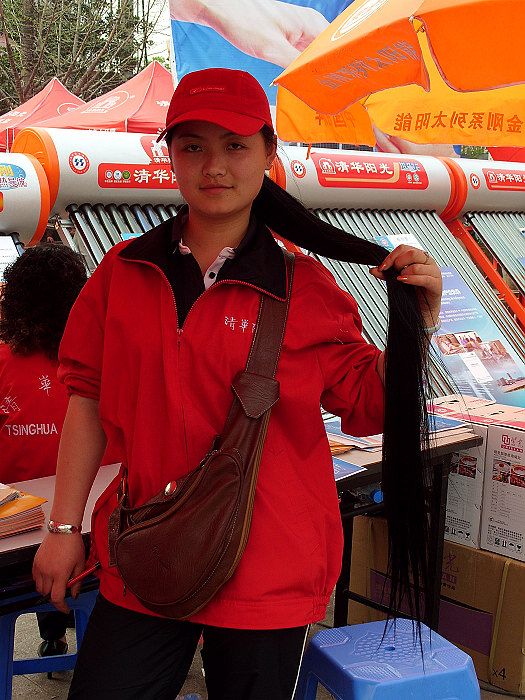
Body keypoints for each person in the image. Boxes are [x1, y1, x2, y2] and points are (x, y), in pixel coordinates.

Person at [33, 68, 442, 700]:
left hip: (268, 570)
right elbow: (85, 399)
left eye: (235, 145)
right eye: (193, 145)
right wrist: (64, 530)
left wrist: (421, 324)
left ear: (268, 155)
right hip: (148, 551)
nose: (214, 165)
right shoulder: (122, 273)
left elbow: (368, 400)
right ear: (167, 154)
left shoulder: (305, 288)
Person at [0, 243, 87, 658]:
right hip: (95, 533)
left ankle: (53, 634)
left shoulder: (2, 362)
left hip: (18, 535)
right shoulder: (101, 362)